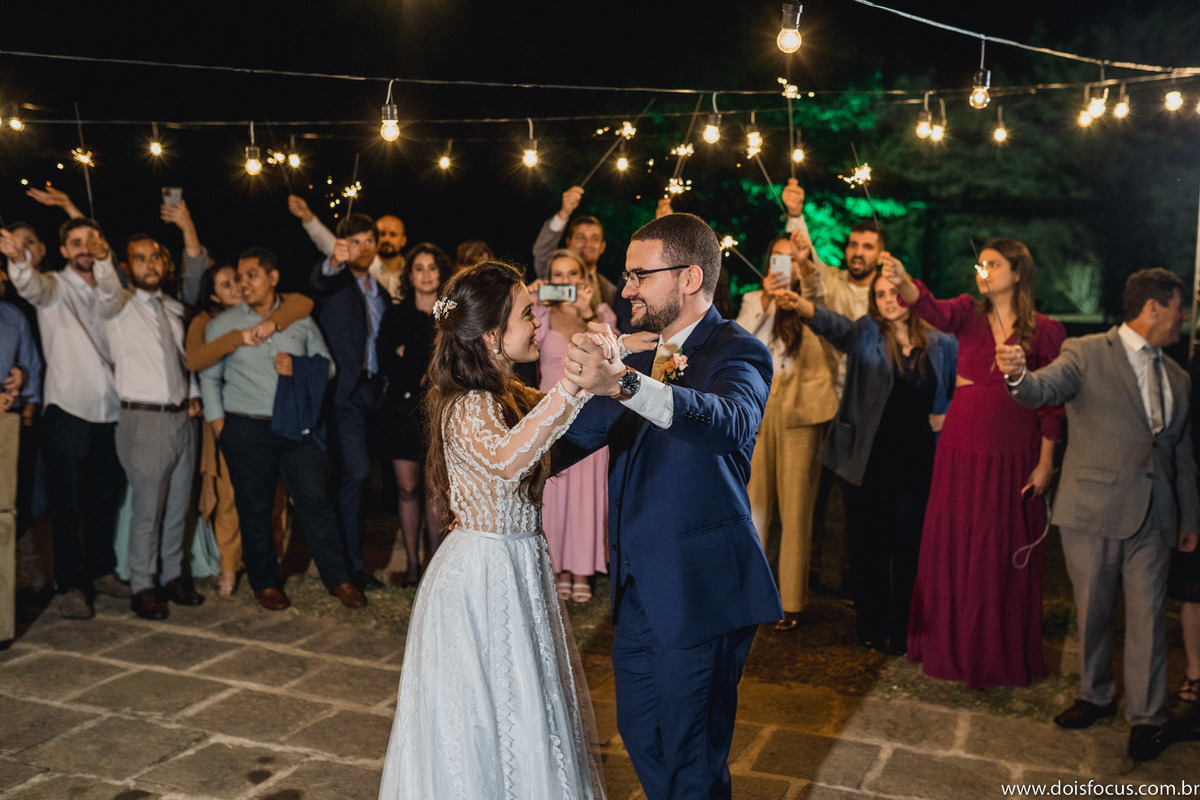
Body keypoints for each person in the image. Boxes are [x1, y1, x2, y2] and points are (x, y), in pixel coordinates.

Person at [561, 213, 782, 799]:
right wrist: (491, 466)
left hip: (700, 591)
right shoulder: (636, 354)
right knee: (641, 734)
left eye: (639, 275)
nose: (626, 288)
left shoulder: (738, 351)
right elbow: (571, 441)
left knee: (693, 760)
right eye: (626, 275)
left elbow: (728, 424)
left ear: (688, 278)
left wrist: (625, 385)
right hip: (636, 590)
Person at [378, 260, 606, 798]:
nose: (540, 324)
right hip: (481, 575)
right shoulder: (466, 403)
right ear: (491, 336)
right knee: (482, 710)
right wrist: (572, 387)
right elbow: (508, 460)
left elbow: (560, 439)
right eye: (528, 315)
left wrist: (626, 367)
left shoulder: (505, 393)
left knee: (525, 700)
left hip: (516, 566)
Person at [996, 267, 1198, 761]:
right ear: (1152, 308)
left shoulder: (1178, 376)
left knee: (1149, 617)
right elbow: (1039, 390)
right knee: (1094, 613)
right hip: (1092, 510)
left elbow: (1181, 455)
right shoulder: (1085, 353)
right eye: (1179, 308)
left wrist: (1189, 518)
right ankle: (1096, 695)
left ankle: (1146, 717)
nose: (1184, 318)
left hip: (1155, 516)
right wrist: (1017, 373)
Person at [883, 238, 1065, 688]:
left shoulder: (1045, 330)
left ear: (1018, 272)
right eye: (980, 263)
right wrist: (902, 280)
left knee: (1000, 548)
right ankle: (950, 646)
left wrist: (1046, 464)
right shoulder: (967, 311)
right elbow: (931, 310)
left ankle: (992, 652)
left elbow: (1052, 408)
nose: (983, 270)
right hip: (962, 447)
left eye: (994, 264)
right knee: (956, 543)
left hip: (1014, 452)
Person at [785, 261, 957, 652]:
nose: (888, 300)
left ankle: (905, 630)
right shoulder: (867, 332)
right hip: (869, 459)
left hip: (919, 461)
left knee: (911, 547)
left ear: (910, 291)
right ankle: (871, 626)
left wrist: (948, 417)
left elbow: (962, 387)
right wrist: (803, 306)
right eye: (879, 295)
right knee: (868, 547)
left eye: (893, 291)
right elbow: (837, 328)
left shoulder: (942, 341)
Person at [199, 247, 366, 612]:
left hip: (296, 428)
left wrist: (300, 366)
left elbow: (330, 368)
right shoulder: (223, 325)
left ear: (273, 278)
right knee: (254, 508)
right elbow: (208, 378)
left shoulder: (300, 322)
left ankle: (339, 578)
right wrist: (219, 425)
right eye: (239, 278)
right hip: (245, 427)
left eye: (251, 276)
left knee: (315, 502)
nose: (243, 285)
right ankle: (265, 583)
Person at [3, 219, 129, 620]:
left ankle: (102, 570)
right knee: (67, 501)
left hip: (112, 408)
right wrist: (19, 261)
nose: (83, 249)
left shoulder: (112, 287)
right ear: (63, 251)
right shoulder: (54, 287)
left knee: (105, 496)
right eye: (75, 243)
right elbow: (29, 286)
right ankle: (71, 584)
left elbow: (111, 298)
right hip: (67, 409)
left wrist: (106, 258)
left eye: (90, 242)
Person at [93, 235, 205, 619]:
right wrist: (101, 256)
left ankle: (172, 574)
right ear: (127, 267)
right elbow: (106, 287)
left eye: (155, 256)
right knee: (148, 507)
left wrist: (193, 392)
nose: (150, 264)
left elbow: (182, 360)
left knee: (177, 504)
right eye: (139, 258)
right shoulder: (117, 307)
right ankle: (143, 583)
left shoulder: (174, 308)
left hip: (181, 417)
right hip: (144, 417)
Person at [185, 264, 313, 597]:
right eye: (228, 285)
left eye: (241, 280)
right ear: (213, 295)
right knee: (230, 497)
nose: (239, 287)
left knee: (272, 499)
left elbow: (303, 302)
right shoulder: (208, 323)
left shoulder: (269, 315)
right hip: (230, 423)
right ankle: (229, 567)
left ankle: (270, 562)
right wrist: (218, 424)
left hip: (271, 427)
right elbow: (197, 363)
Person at [735, 232, 837, 631]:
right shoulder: (751, 300)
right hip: (759, 407)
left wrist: (804, 278)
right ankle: (751, 594)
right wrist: (764, 300)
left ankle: (792, 601)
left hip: (803, 411)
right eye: (777, 259)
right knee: (754, 506)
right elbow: (740, 339)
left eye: (791, 259)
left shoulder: (813, 299)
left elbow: (828, 321)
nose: (785, 267)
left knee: (797, 508)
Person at [529, 249, 616, 602]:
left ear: (582, 280)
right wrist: (530, 303)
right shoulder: (538, 314)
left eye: (571, 275)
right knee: (551, 495)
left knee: (584, 494)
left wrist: (588, 315)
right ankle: (556, 566)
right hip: (549, 414)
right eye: (557, 276)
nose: (564, 282)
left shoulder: (601, 314)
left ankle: (581, 569)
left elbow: (617, 358)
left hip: (589, 415)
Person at [310, 213, 392, 591]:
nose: (363, 247)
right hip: (343, 394)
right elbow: (320, 281)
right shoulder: (335, 282)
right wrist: (333, 261)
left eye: (368, 240)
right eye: (354, 241)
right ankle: (347, 568)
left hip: (376, 393)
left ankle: (350, 566)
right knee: (356, 475)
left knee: (360, 481)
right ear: (344, 246)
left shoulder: (382, 291)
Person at [375, 242, 452, 586]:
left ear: (441, 272)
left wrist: (414, 355)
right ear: (409, 274)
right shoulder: (396, 313)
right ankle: (411, 565)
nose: (425, 275)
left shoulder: (450, 313)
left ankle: (434, 567)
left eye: (432, 267)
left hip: (439, 410)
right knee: (407, 489)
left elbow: (449, 363)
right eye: (418, 268)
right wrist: (416, 361)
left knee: (436, 489)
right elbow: (387, 361)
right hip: (400, 410)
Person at [0, 295, 41, 646]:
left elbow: (31, 367)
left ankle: (1, 622)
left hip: (6, 425)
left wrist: (22, 377)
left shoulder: (12, 316)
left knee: (3, 519)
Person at [287, 194, 407, 297]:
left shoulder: (414, 271)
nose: (386, 239)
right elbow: (329, 243)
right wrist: (306, 216)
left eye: (393, 234)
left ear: (403, 240)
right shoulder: (360, 261)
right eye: (382, 234)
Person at [531, 186, 618, 306]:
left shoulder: (611, 291)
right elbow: (542, 251)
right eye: (580, 237)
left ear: (602, 247)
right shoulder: (551, 274)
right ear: (568, 242)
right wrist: (564, 213)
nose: (587, 244)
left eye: (594, 239)